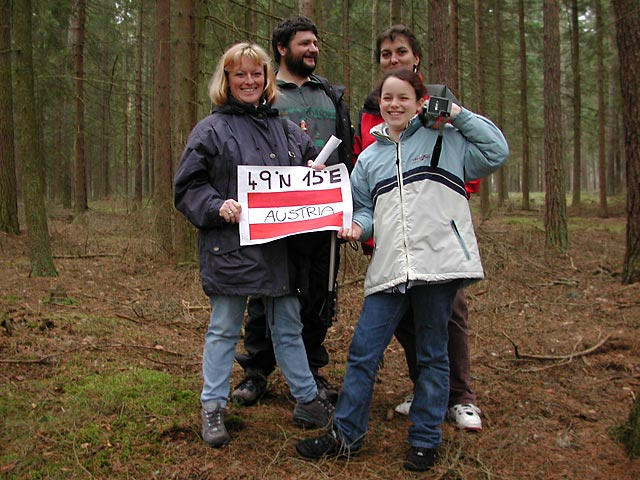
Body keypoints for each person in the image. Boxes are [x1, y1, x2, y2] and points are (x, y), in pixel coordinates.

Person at [296, 69, 508, 471]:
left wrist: (458, 114)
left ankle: (426, 439)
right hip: (389, 268)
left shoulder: (447, 139)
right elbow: (362, 208)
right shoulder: (370, 158)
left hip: (439, 266)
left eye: (403, 97)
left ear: (419, 100)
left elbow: (496, 151)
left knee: (432, 354)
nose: (394, 104)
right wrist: (358, 226)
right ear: (380, 104)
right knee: (363, 354)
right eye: (387, 98)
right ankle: (346, 436)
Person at [174, 42, 334, 448]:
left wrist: (314, 171)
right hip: (231, 248)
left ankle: (307, 400)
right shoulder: (210, 130)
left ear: (267, 79)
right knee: (224, 328)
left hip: (281, 249)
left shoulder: (286, 130)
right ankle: (212, 407)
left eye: (256, 73)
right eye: (240, 74)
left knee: (288, 327)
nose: (249, 81)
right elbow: (188, 186)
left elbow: (310, 176)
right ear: (226, 80)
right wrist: (216, 204)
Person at [353, 25, 483, 431]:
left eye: (401, 51)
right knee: (404, 320)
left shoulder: (439, 107)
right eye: (386, 53)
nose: (394, 58)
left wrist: (440, 209)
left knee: (448, 316)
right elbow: (367, 167)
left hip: (436, 236)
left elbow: (469, 163)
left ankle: (460, 396)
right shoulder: (371, 110)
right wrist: (367, 225)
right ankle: (426, 388)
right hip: (388, 235)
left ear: (417, 58)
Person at [232, 16, 353, 407]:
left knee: (320, 293)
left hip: (323, 214)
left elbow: (347, 154)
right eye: (304, 44)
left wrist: (348, 207)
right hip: (275, 213)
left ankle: (310, 369)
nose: (313, 49)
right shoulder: (266, 93)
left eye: (316, 43)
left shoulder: (331, 94)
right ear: (283, 49)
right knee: (266, 289)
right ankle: (256, 370)